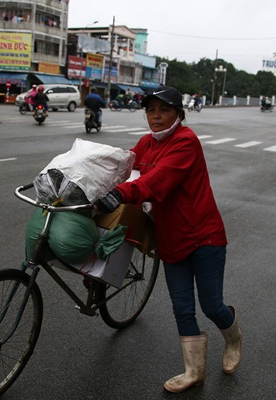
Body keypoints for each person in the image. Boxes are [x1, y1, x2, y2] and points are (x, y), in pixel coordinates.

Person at [95, 86, 242, 393]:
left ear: (179, 114)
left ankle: (233, 339)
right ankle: (194, 372)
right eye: (151, 110)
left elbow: (156, 180)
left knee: (212, 305)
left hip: (204, 236)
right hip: (171, 239)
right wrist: (92, 183)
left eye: (164, 110)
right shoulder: (146, 143)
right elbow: (125, 170)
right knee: (182, 308)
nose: (156, 117)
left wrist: (121, 193)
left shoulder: (186, 142)